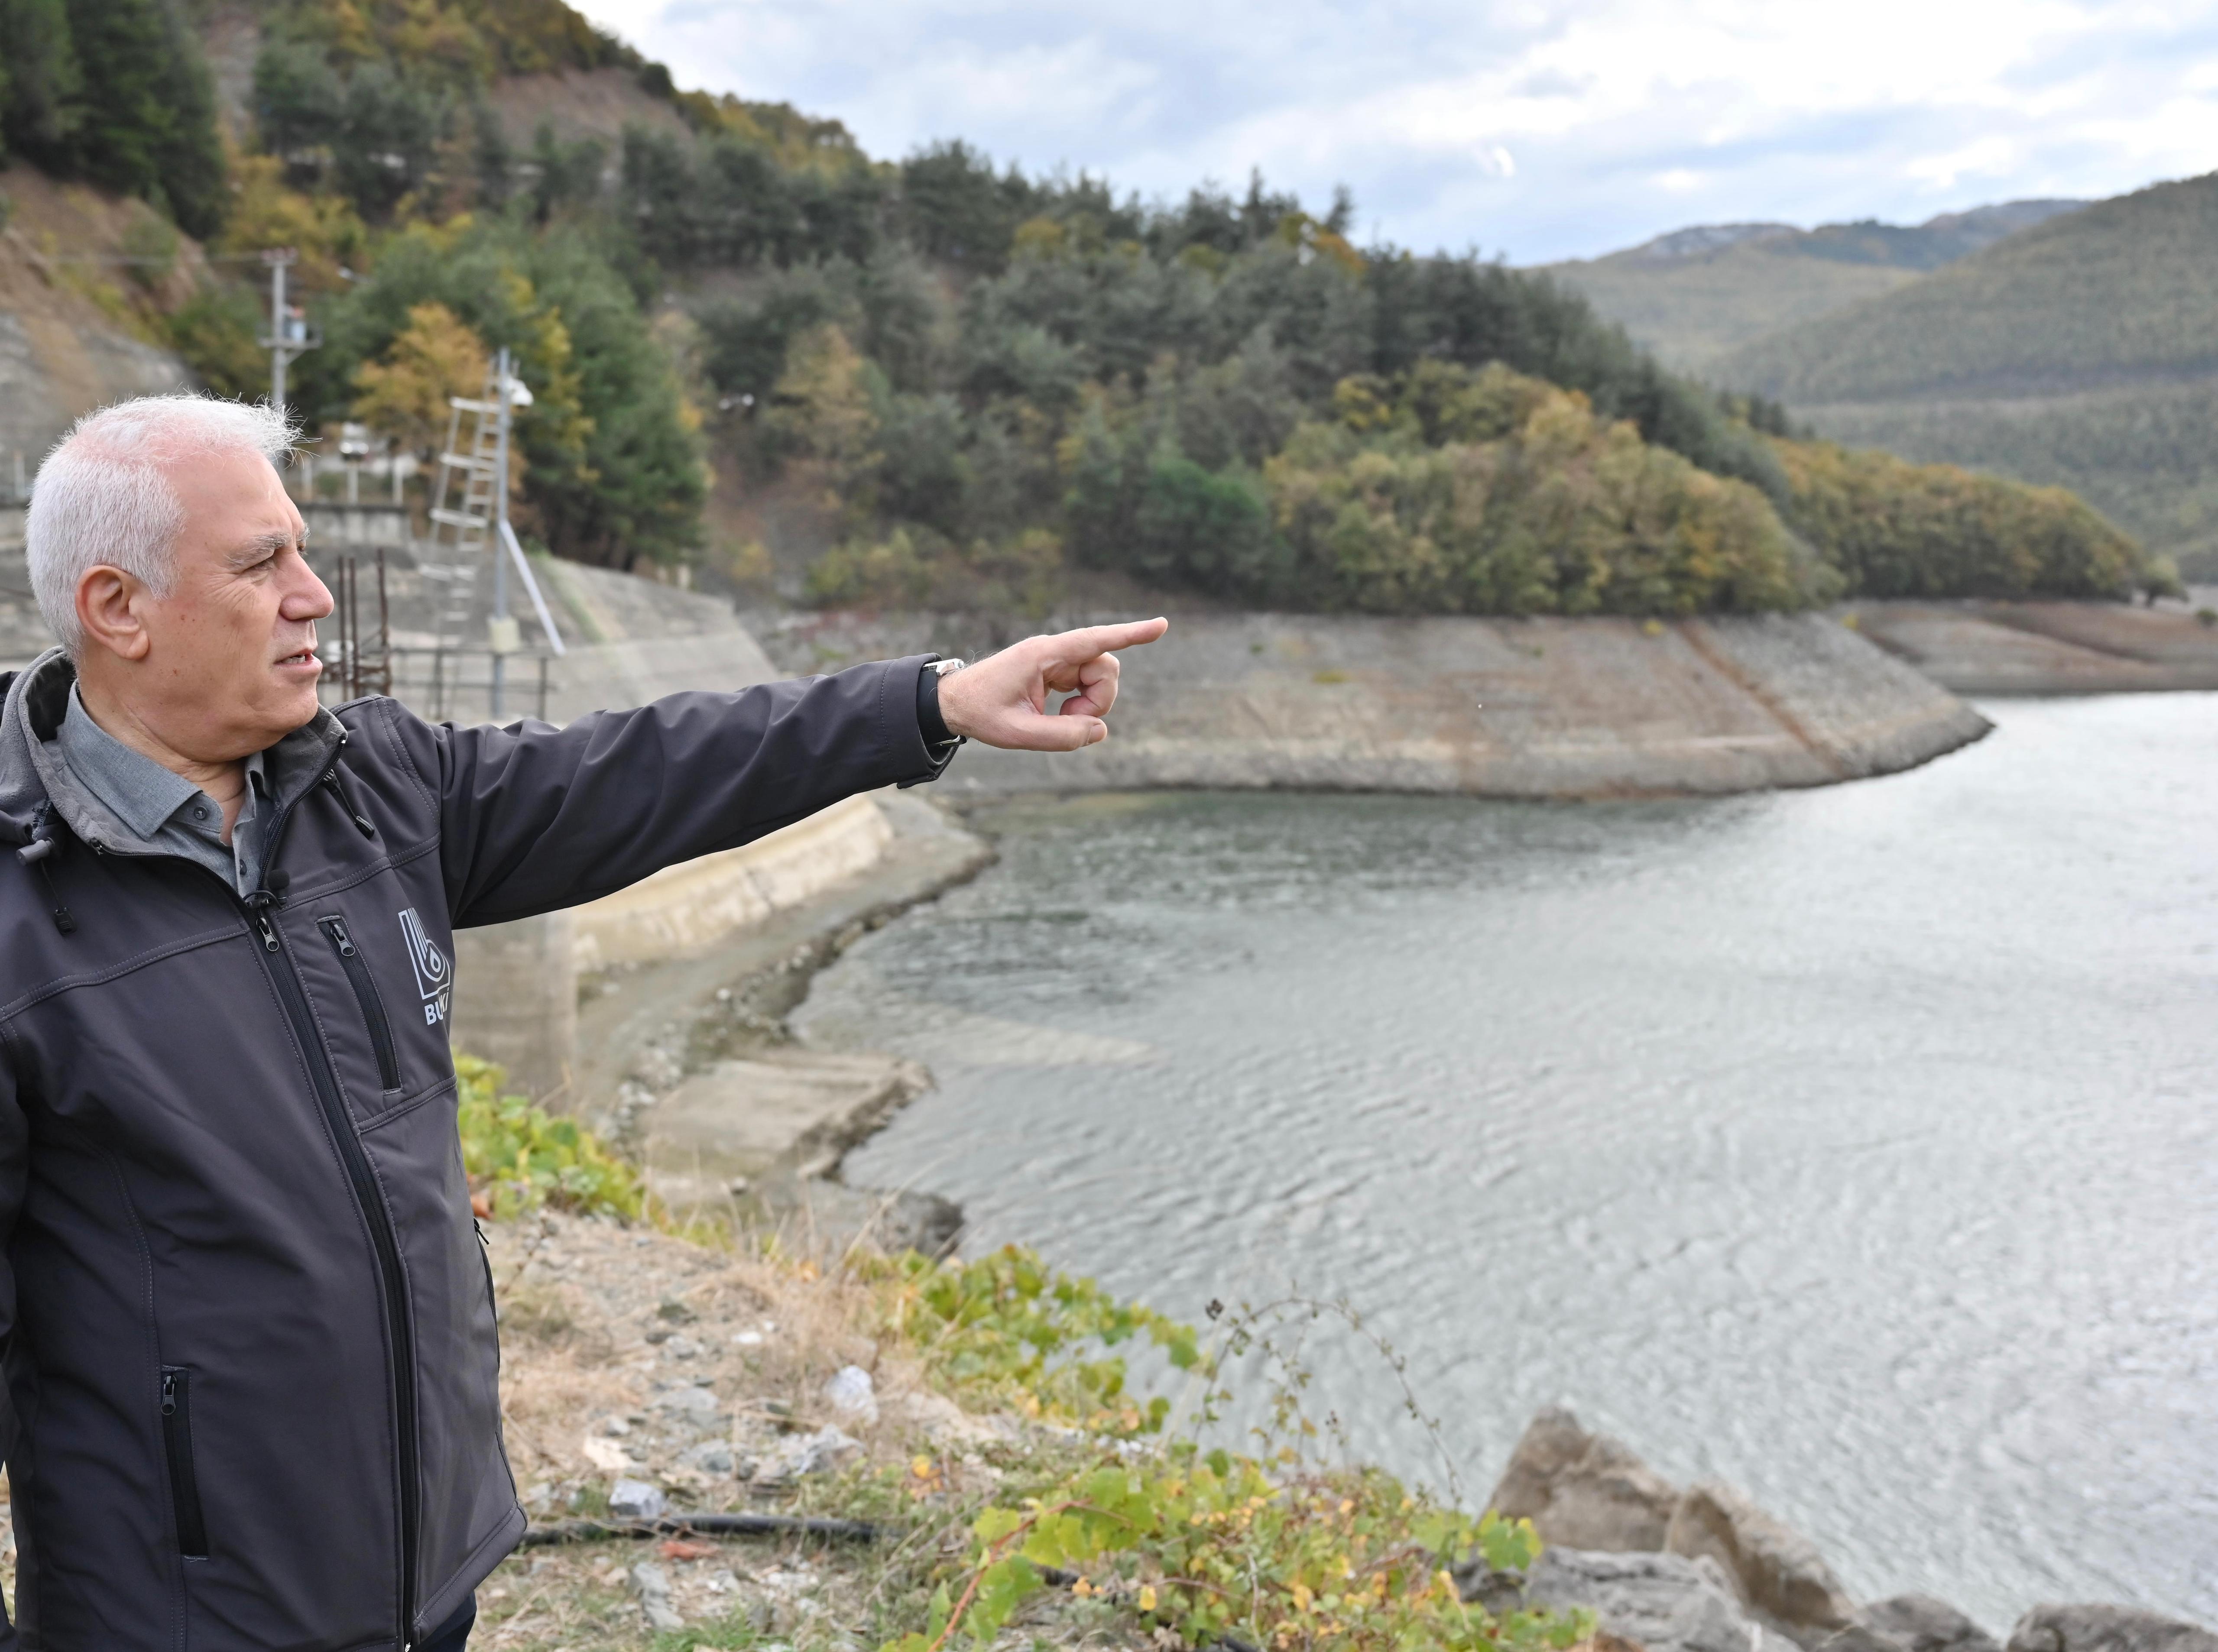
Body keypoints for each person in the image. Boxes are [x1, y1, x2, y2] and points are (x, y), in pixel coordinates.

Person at [0, 395, 1166, 1650]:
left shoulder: (374, 788)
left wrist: (929, 704)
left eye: (303, 548)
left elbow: (650, 768)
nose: (315, 595)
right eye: (260, 562)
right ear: (118, 609)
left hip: (423, 1578)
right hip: (179, 1621)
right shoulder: (21, 920)